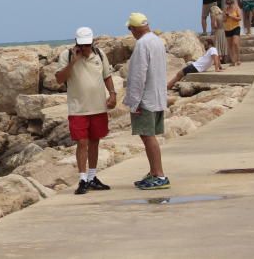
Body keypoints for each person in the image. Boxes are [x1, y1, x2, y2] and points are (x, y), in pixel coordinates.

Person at [55, 27, 117, 195]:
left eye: (88, 45)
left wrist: (112, 94)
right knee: (82, 142)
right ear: (76, 43)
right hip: (78, 108)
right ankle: (82, 179)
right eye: (82, 45)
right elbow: (59, 79)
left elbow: (107, 76)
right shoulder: (66, 56)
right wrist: (73, 61)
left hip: (98, 107)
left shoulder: (100, 54)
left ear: (92, 42)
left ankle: (92, 177)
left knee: (95, 141)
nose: (85, 48)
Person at [122, 12, 169, 190]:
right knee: (150, 135)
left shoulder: (142, 44)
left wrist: (134, 102)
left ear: (134, 28)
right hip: (157, 96)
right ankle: (154, 172)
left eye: (130, 29)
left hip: (146, 99)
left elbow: (138, 75)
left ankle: (160, 174)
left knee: (148, 136)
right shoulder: (157, 41)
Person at [223, 0, 242, 66]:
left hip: (235, 27)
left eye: (230, 3)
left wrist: (231, 16)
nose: (229, 5)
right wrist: (225, 16)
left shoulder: (236, 8)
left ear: (233, 2)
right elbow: (223, 20)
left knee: (235, 43)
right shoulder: (225, 9)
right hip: (227, 29)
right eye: (228, 4)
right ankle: (233, 61)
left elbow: (240, 18)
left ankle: (238, 59)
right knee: (230, 45)